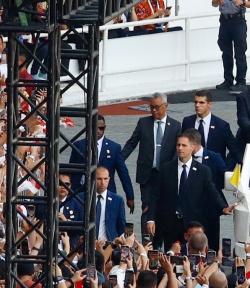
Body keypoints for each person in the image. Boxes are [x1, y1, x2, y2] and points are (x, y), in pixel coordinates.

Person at [146, 134, 237, 249]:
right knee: (171, 254)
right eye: (178, 145)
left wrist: (223, 207)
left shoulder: (203, 170)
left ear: (192, 148)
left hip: (192, 223)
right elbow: (155, 195)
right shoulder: (166, 168)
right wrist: (151, 219)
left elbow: (212, 191)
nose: (180, 148)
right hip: (170, 223)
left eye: (184, 145)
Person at [122, 92, 181, 242]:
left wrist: (172, 169)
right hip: (147, 174)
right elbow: (131, 143)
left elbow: (176, 152)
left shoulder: (175, 126)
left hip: (166, 175)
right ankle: (147, 243)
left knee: (165, 208)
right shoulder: (143, 123)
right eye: (151, 107)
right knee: (147, 208)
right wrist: (119, 160)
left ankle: (162, 240)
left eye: (157, 107)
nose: (154, 111)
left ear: (166, 106)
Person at [69, 114, 135, 213]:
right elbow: (71, 170)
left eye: (101, 128)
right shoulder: (78, 146)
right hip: (81, 191)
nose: (99, 131)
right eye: (96, 128)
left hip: (105, 191)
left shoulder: (114, 148)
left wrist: (130, 197)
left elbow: (123, 173)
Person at [184, 128, 229, 249]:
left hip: (210, 209)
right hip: (190, 209)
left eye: (185, 145)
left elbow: (224, 176)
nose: (181, 148)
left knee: (212, 242)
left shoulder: (214, 157)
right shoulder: (182, 160)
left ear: (193, 145)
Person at [182, 90, 241, 169]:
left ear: (210, 104)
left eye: (201, 102)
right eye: (196, 102)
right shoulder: (187, 122)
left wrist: (225, 168)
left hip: (213, 172)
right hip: (190, 170)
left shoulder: (221, 125)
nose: (197, 105)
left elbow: (234, 149)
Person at [213, 0, 250, 91]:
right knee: (226, 53)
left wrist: (243, 3)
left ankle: (241, 81)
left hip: (238, 20)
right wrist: (217, 2)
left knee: (240, 53)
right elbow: (213, 3)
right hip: (224, 21)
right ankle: (228, 80)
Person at [94, 166, 126, 241]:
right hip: (86, 245)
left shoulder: (117, 200)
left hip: (108, 246)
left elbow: (121, 225)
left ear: (109, 179)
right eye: (99, 179)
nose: (102, 183)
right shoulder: (82, 198)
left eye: (105, 179)